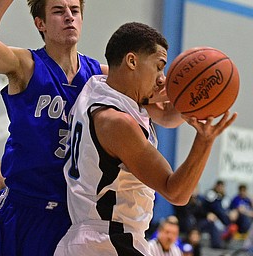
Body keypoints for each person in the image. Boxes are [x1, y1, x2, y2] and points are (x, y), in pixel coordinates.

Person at [54, 22, 237, 255]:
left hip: (91, 238)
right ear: (131, 61)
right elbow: (176, 192)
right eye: (159, 67)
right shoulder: (118, 123)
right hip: (111, 241)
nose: (162, 79)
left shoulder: (97, 87)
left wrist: (192, 93)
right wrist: (205, 140)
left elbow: (168, 116)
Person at [0, 0, 106, 255]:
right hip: (21, 208)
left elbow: (157, 104)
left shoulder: (100, 78)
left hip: (70, 216)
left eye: (75, 11)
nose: (69, 17)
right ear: (40, 23)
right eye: (58, 11)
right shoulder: (26, 65)